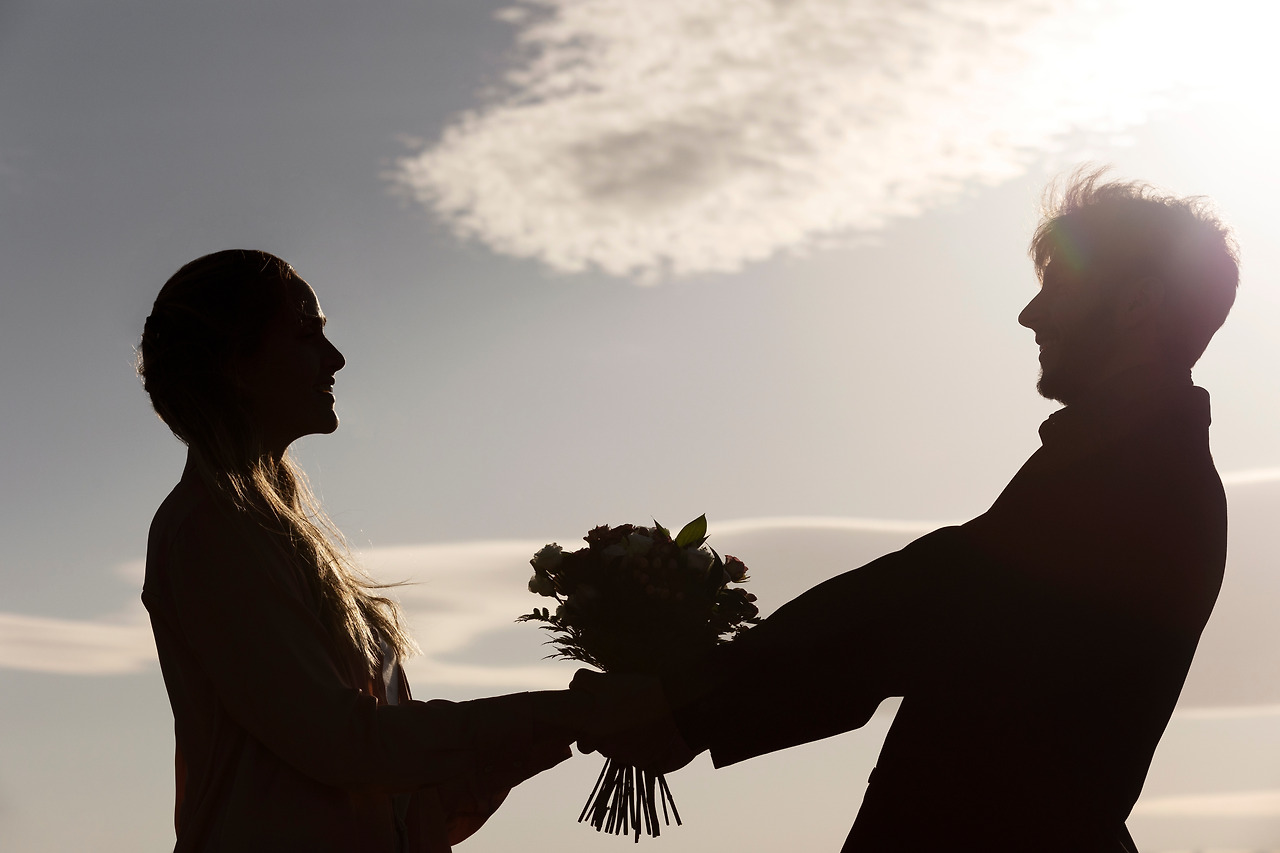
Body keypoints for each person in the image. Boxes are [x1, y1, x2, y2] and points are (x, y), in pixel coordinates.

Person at [573, 169, 1239, 852]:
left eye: (1061, 287)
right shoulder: (1127, 466)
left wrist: (683, 704)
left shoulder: (1138, 478)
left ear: (1137, 303)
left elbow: (922, 605)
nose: (1031, 315)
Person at [139, 249, 585, 852]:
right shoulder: (209, 531)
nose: (335, 358)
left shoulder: (273, 530)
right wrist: (562, 716)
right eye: (307, 334)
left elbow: (397, 799)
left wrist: (572, 722)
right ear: (236, 363)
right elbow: (343, 746)